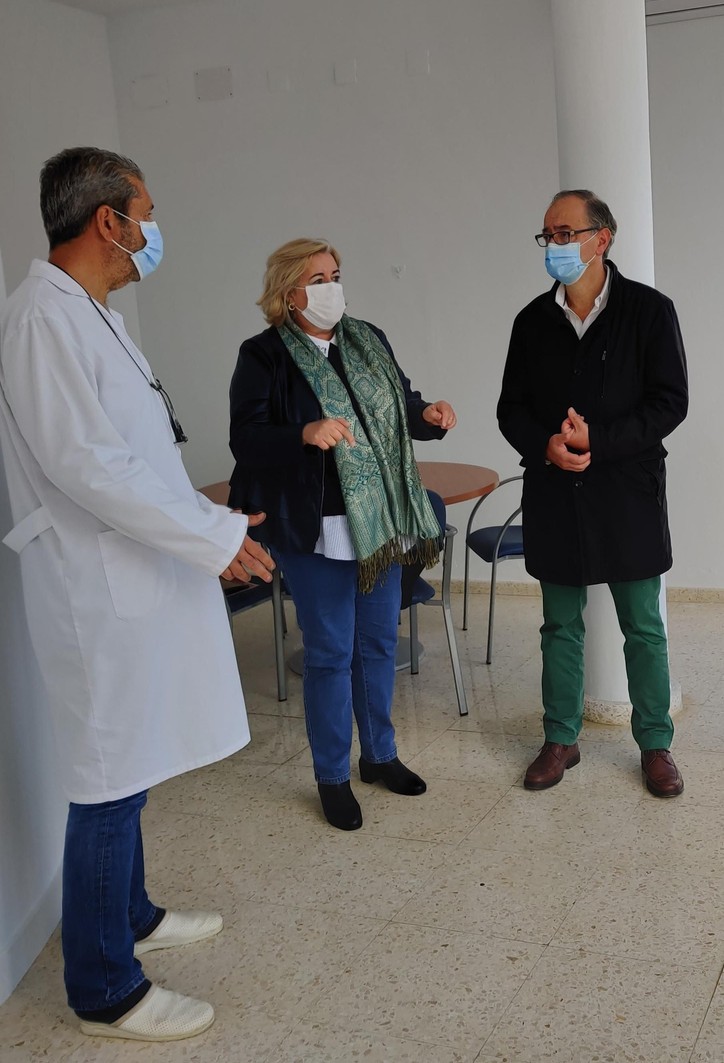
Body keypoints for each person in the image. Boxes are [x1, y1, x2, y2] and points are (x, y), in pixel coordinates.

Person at [0, 148, 275, 1042]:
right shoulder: (43, 320)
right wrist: (214, 539)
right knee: (107, 779)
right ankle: (105, 990)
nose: (154, 230)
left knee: (135, 758)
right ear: (108, 220)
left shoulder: (96, 317)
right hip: (95, 589)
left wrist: (208, 518)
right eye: (146, 212)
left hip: (138, 572)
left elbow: (141, 455)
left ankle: (136, 918)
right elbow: (90, 469)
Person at [228, 239, 456, 831]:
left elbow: (400, 406)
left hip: (378, 523)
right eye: (318, 278)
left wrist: (427, 416)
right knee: (330, 655)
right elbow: (246, 440)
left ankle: (379, 756)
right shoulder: (264, 356)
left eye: (336, 275)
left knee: (379, 645)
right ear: (288, 292)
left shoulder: (366, 338)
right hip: (315, 528)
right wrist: (304, 432)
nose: (332, 287)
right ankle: (331, 776)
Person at [497, 190, 689, 797]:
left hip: (627, 491)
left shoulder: (650, 312)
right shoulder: (531, 321)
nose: (553, 244)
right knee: (559, 625)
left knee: (643, 626)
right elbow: (511, 409)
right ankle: (560, 738)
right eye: (547, 235)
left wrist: (598, 441)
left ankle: (655, 746)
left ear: (600, 239)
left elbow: (670, 403)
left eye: (564, 233)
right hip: (556, 491)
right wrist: (545, 444)